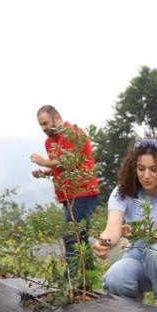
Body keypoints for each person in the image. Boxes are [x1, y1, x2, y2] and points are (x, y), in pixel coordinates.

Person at [93, 137, 157, 311]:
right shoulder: (122, 192)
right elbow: (112, 228)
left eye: (154, 169)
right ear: (134, 167)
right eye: (141, 168)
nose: (146, 175)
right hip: (138, 257)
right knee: (115, 279)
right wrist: (105, 243)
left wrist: (136, 232)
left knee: (156, 250)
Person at [29, 105, 100, 271]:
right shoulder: (50, 142)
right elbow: (62, 167)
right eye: (41, 125)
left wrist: (44, 162)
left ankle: (73, 279)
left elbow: (71, 161)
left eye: (46, 123)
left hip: (84, 191)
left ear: (57, 118)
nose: (44, 128)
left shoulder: (74, 133)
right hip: (68, 195)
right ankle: (85, 281)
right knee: (78, 237)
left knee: (71, 235)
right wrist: (46, 172)